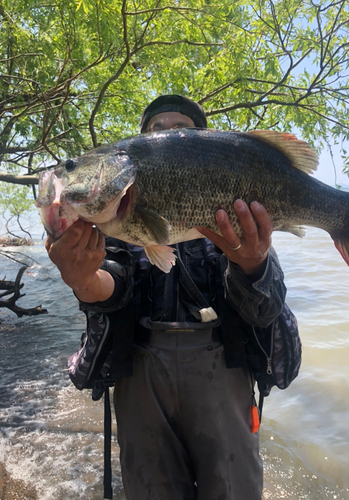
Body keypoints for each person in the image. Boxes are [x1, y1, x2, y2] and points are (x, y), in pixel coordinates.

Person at [46, 95, 294, 500]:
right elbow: (113, 287)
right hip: (140, 373)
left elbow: (266, 310)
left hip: (224, 371)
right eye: (156, 130)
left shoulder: (242, 225)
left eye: (182, 129)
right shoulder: (115, 224)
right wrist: (81, 279)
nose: (168, 134)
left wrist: (253, 265)